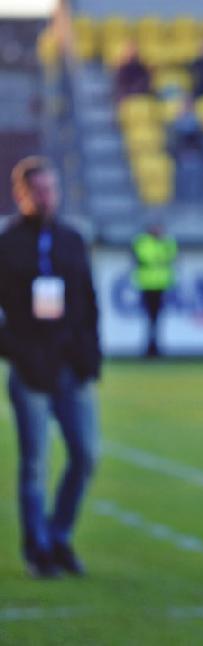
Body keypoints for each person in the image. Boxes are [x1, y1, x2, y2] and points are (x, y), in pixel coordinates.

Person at [0, 156, 101, 578]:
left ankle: (59, 535)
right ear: (21, 193)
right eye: (39, 190)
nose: (47, 198)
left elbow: (89, 302)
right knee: (35, 464)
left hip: (72, 366)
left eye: (51, 189)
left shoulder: (72, 239)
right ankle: (36, 548)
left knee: (86, 455)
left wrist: (91, 357)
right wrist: (18, 352)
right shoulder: (8, 243)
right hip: (31, 369)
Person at [131, 223, 178, 358]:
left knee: (157, 319)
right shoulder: (143, 242)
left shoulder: (167, 242)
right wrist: (159, 259)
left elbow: (172, 256)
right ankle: (149, 347)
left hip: (161, 285)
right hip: (146, 285)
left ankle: (155, 346)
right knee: (149, 318)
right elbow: (144, 258)